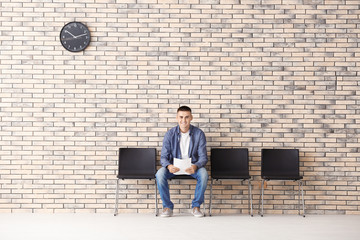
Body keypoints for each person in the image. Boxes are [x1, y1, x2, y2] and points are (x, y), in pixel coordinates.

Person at [156, 106, 208, 217]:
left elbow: (203, 157)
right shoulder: (170, 134)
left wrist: (195, 166)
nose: (183, 120)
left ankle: (196, 206)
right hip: (174, 167)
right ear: (176, 118)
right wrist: (169, 166)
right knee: (160, 174)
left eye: (187, 117)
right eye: (181, 117)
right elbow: (163, 157)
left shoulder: (199, 134)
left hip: (192, 167)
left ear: (191, 118)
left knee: (203, 174)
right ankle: (167, 207)